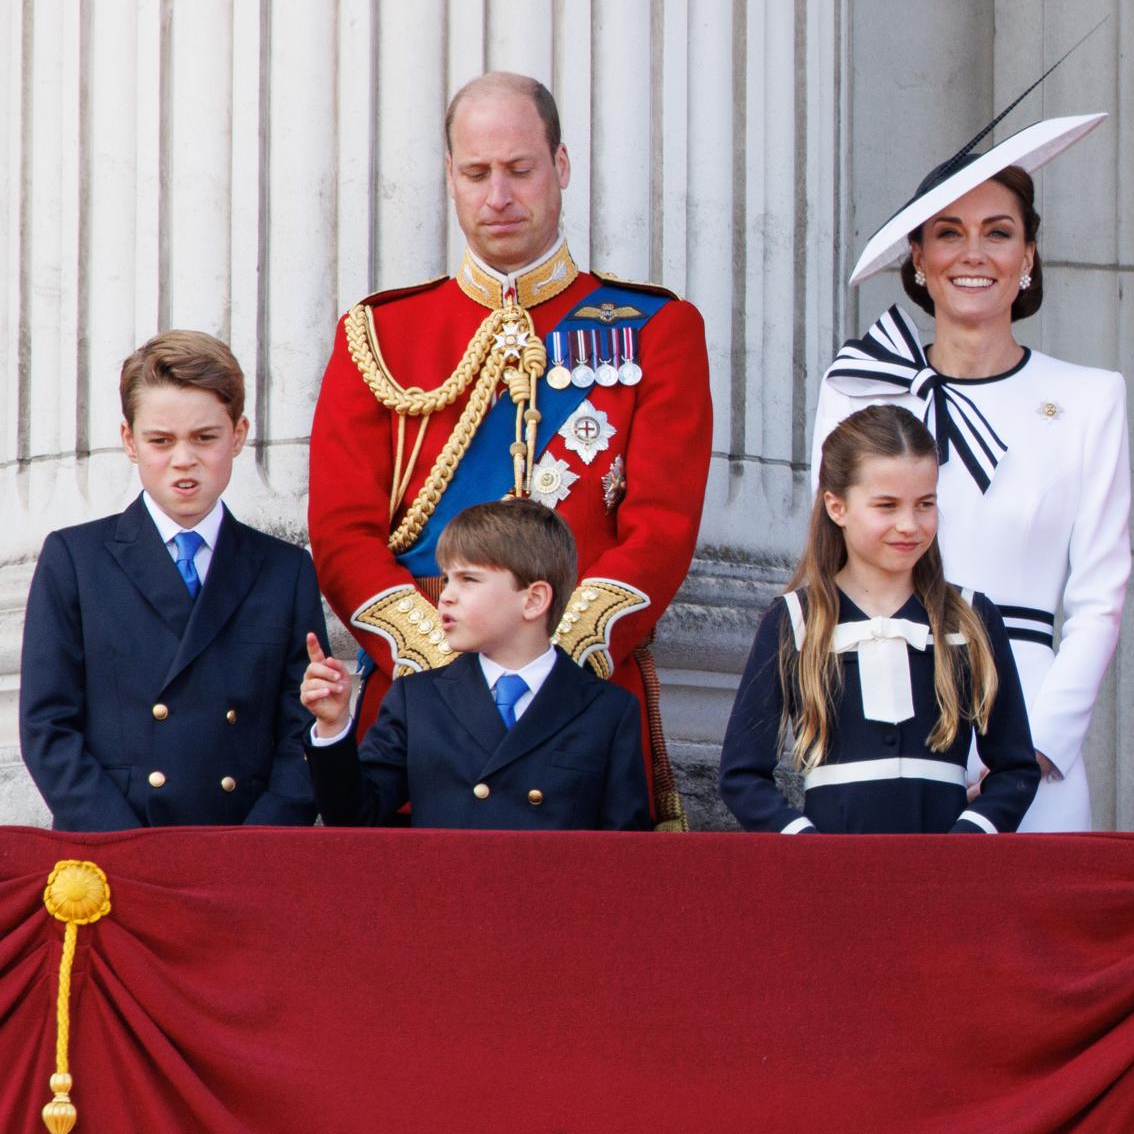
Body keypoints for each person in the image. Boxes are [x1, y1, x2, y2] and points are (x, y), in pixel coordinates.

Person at [306, 71, 711, 828]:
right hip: (418, 703)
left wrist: (553, 664)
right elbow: (341, 533)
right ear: (450, 179)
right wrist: (443, 669)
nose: (498, 195)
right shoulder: (379, 335)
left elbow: (660, 530)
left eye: (520, 169)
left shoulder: (657, 328)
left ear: (561, 167)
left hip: (583, 707)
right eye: (476, 172)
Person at [811, 111, 1127, 832]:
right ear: (917, 258)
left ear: (1029, 257)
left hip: (1032, 712)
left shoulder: (1090, 397)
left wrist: (1035, 747)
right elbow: (825, 564)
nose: (973, 252)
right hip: (881, 709)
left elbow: (1100, 597)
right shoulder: (859, 385)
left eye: (999, 231)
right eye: (949, 232)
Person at [19, 331, 325, 830]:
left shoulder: (284, 570)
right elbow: (47, 727)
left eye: (204, 437)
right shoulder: (75, 558)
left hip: (243, 850)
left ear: (239, 434)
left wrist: (260, 846)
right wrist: (122, 847)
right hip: (115, 850)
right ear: (129, 441)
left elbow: (302, 728)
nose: (184, 459)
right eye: (160, 440)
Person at [721, 406, 1039, 833]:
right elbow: (742, 776)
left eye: (925, 504)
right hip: (832, 880)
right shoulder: (793, 621)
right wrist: (804, 844)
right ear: (837, 507)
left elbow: (1015, 768)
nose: (909, 525)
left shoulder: (972, 619)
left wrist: (970, 837)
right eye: (886, 506)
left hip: (948, 878)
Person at [301, 499, 652, 829]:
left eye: (468, 580)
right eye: (446, 579)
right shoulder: (417, 699)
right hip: (446, 892)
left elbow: (622, 855)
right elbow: (353, 817)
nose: (447, 595)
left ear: (533, 600)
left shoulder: (607, 710)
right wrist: (333, 726)